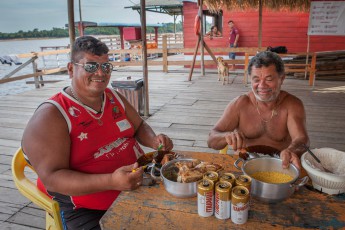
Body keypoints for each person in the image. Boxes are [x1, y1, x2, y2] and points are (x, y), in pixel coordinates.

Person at [21, 36, 173, 230]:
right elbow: (52, 179)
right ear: (70, 69)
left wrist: (153, 140)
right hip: (86, 206)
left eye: (106, 66)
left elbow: (139, 126)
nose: (101, 73)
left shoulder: (113, 97)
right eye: (91, 66)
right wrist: (111, 181)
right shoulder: (51, 116)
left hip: (139, 182)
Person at [207, 51, 309, 170]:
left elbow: (302, 139)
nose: (262, 86)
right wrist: (226, 136)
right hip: (244, 166)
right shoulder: (240, 104)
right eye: (256, 79)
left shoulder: (292, 104)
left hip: (280, 167)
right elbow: (211, 140)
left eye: (269, 79)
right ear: (250, 78)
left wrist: (291, 151)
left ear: (282, 78)